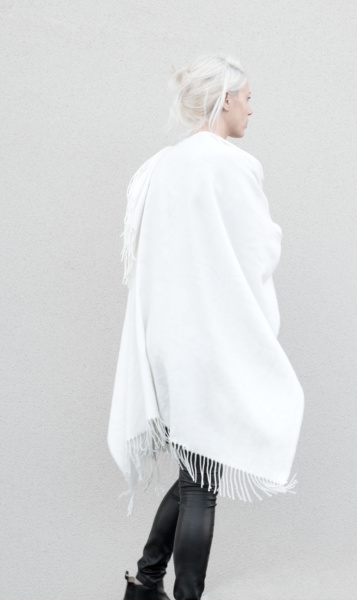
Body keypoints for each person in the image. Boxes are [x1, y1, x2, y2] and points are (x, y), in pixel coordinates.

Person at [108, 53, 305, 600]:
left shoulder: (157, 168)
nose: (251, 109)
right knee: (201, 482)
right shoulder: (233, 165)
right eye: (248, 98)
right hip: (213, 341)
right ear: (226, 99)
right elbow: (256, 250)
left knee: (199, 468)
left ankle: (144, 583)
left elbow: (148, 259)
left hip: (167, 341)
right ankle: (181, 594)